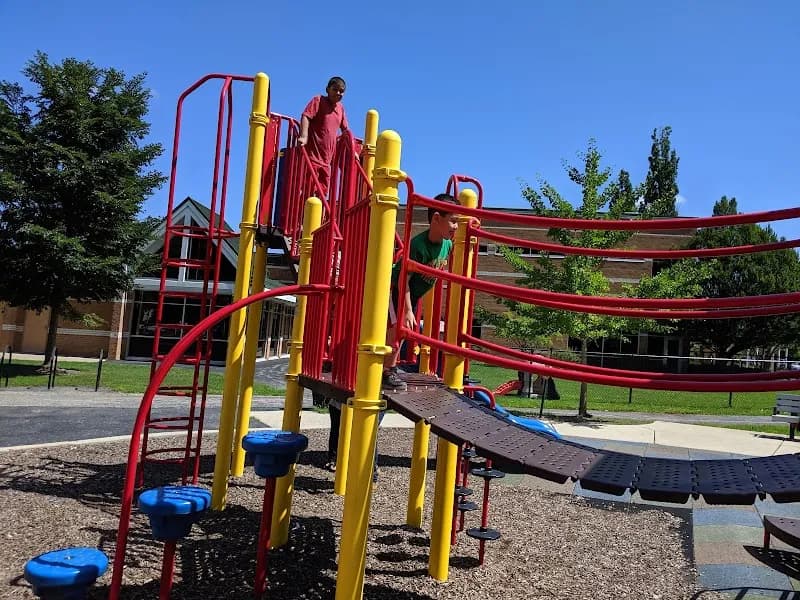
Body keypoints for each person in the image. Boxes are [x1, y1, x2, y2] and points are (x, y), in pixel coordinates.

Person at [383, 193, 460, 391]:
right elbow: (403, 281)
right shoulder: (418, 246)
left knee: (402, 331)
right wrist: (408, 309)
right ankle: (386, 371)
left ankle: (389, 367)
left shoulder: (448, 245)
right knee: (397, 329)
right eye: (453, 221)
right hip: (396, 290)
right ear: (436, 218)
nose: (456, 227)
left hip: (413, 294)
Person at [298, 76, 349, 197]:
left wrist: (354, 152)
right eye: (335, 89)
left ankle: (319, 215)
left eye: (341, 91)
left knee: (322, 192)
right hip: (313, 157)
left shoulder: (340, 109)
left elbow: (346, 130)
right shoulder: (318, 100)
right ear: (327, 89)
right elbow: (306, 116)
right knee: (309, 189)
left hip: (327, 162)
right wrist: (304, 136)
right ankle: (304, 214)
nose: (338, 93)